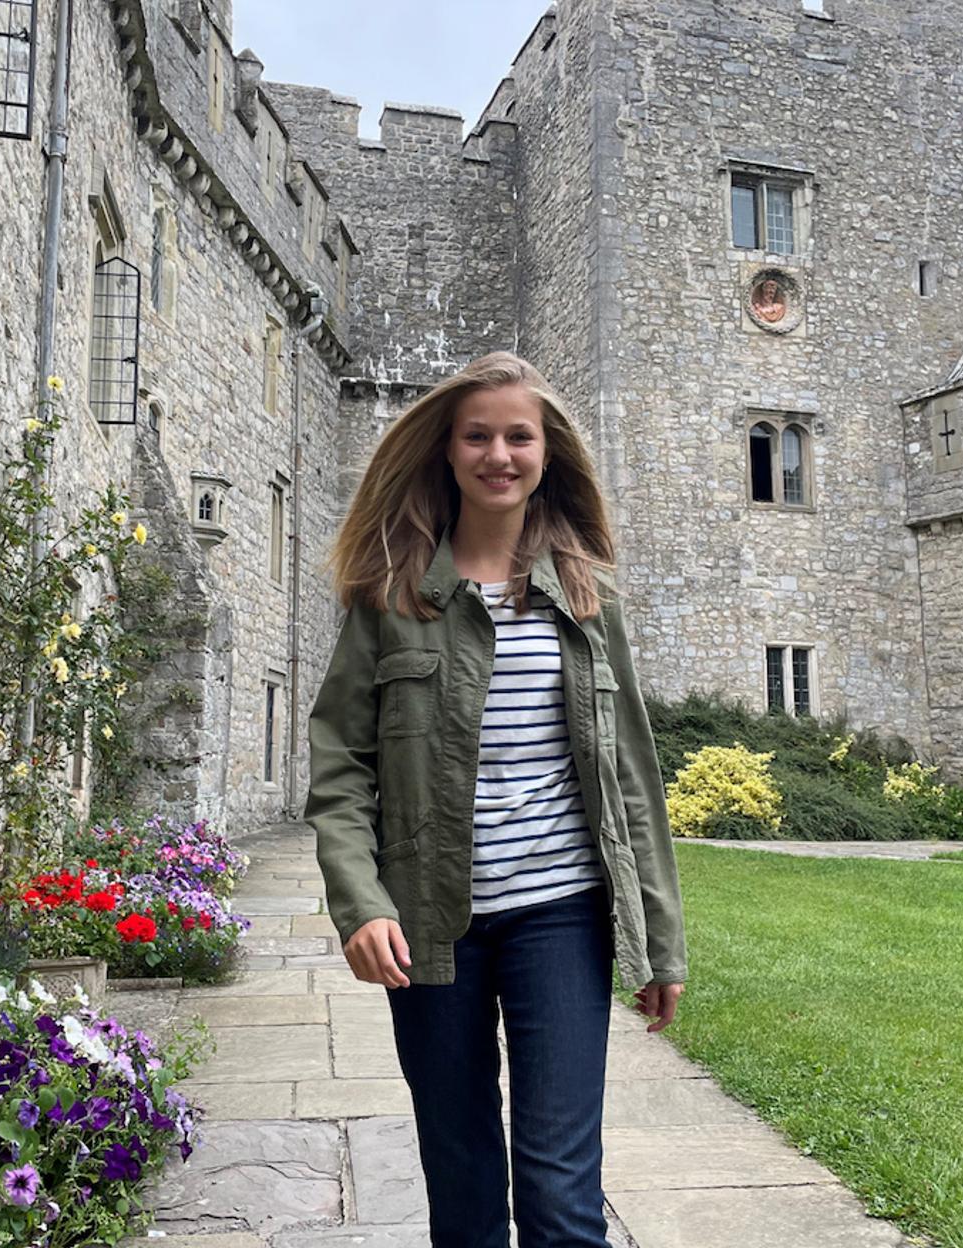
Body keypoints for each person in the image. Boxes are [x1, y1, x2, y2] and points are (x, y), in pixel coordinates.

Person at [304, 351, 687, 1248]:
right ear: (447, 450)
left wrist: (660, 941)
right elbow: (341, 766)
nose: (499, 454)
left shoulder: (587, 596)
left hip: (562, 916)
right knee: (463, 1180)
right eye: (477, 436)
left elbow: (632, 774)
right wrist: (360, 903)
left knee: (560, 1193)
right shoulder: (391, 597)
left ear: (547, 454)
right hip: (429, 922)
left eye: (520, 436)